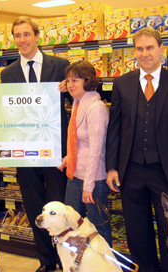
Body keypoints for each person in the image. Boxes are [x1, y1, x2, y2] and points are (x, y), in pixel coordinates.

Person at [106, 27, 168, 272]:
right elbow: (115, 129)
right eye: (139, 49)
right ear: (134, 52)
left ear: (161, 49)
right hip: (131, 171)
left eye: (150, 48)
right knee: (137, 230)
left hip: (166, 172)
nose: (145, 54)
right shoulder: (122, 84)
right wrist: (112, 167)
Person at [1, 17, 70, 272]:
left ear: (37, 36)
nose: (22, 40)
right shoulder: (8, 74)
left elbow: (82, 90)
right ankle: (46, 259)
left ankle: (65, 260)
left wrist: (69, 88)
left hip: (55, 150)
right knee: (34, 206)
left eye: (26, 34)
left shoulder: (61, 66)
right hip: (25, 150)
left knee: (59, 206)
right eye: (17, 35)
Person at [60, 61, 111, 244]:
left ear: (87, 81)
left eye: (75, 80)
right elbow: (79, 142)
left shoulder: (95, 108)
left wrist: (88, 186)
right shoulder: (78, 103)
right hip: (75, 174)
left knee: (99, 227)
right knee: (71, 223)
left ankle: (106, 268)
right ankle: (77, 269)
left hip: (93, 179)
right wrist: (68, 158)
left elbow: (96, 150)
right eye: (67, 80)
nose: (70, 84)